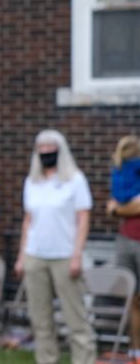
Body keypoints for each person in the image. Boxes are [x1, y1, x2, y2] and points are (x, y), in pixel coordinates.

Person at [14, 129, 95, 364]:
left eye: (51, 148)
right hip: (35, 256)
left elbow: (83, 219)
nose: (46, 152)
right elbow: (28, 221)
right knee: (40, 320)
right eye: (41, 148)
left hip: (65, 255)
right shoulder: (32, 182)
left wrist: (77, 255)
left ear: (61, 151)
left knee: (76, 319)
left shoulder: (75, 179)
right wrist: (21, 257)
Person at [109, 135, 140, 363]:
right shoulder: (119, 174)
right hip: (126, 239)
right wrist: (120, 209)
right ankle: (135, 350)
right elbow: (112, 205)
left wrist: (118, 210)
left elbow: (119, 208)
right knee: (132, 299)